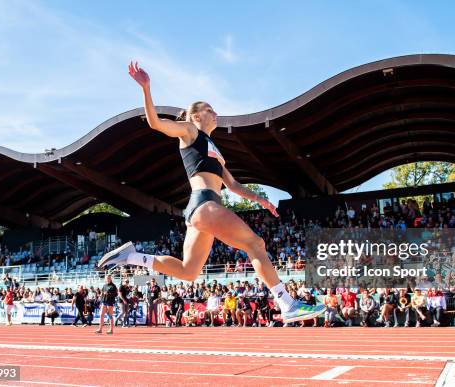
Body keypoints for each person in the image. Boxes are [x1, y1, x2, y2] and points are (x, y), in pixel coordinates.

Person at [97, 62, 325, 323]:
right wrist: (146, 88)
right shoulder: (190, 131)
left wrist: (262, 200)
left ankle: (133, 256)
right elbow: (155, 123)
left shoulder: (215, 150)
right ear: (195, 116)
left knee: (188, 271)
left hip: (201, 210)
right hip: (204, 204)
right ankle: (286, 303)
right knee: (255, 244)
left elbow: (233, 186)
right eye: (209, 109)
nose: (215, 113)